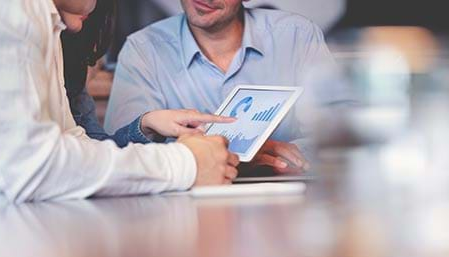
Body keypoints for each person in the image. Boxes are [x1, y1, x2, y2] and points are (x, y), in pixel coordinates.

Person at [0, 0, 239, 204]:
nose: (100, 5)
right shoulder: (3, 10)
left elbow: (75, 141)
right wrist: (185, 162)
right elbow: (32, 168)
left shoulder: (47, 21)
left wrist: (152, 131)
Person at [105, 0, 340, 175]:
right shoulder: (143, 50)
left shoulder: (297, 36)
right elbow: (120, 152)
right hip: (184, 209)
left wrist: (278, 153)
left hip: (285, 205)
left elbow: (337, 132)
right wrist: (235, 155)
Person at [62, 0, 237, 147]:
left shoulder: (69, 64)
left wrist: (147, 123)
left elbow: (98, 150)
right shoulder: (143, 47)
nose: (92, 5)